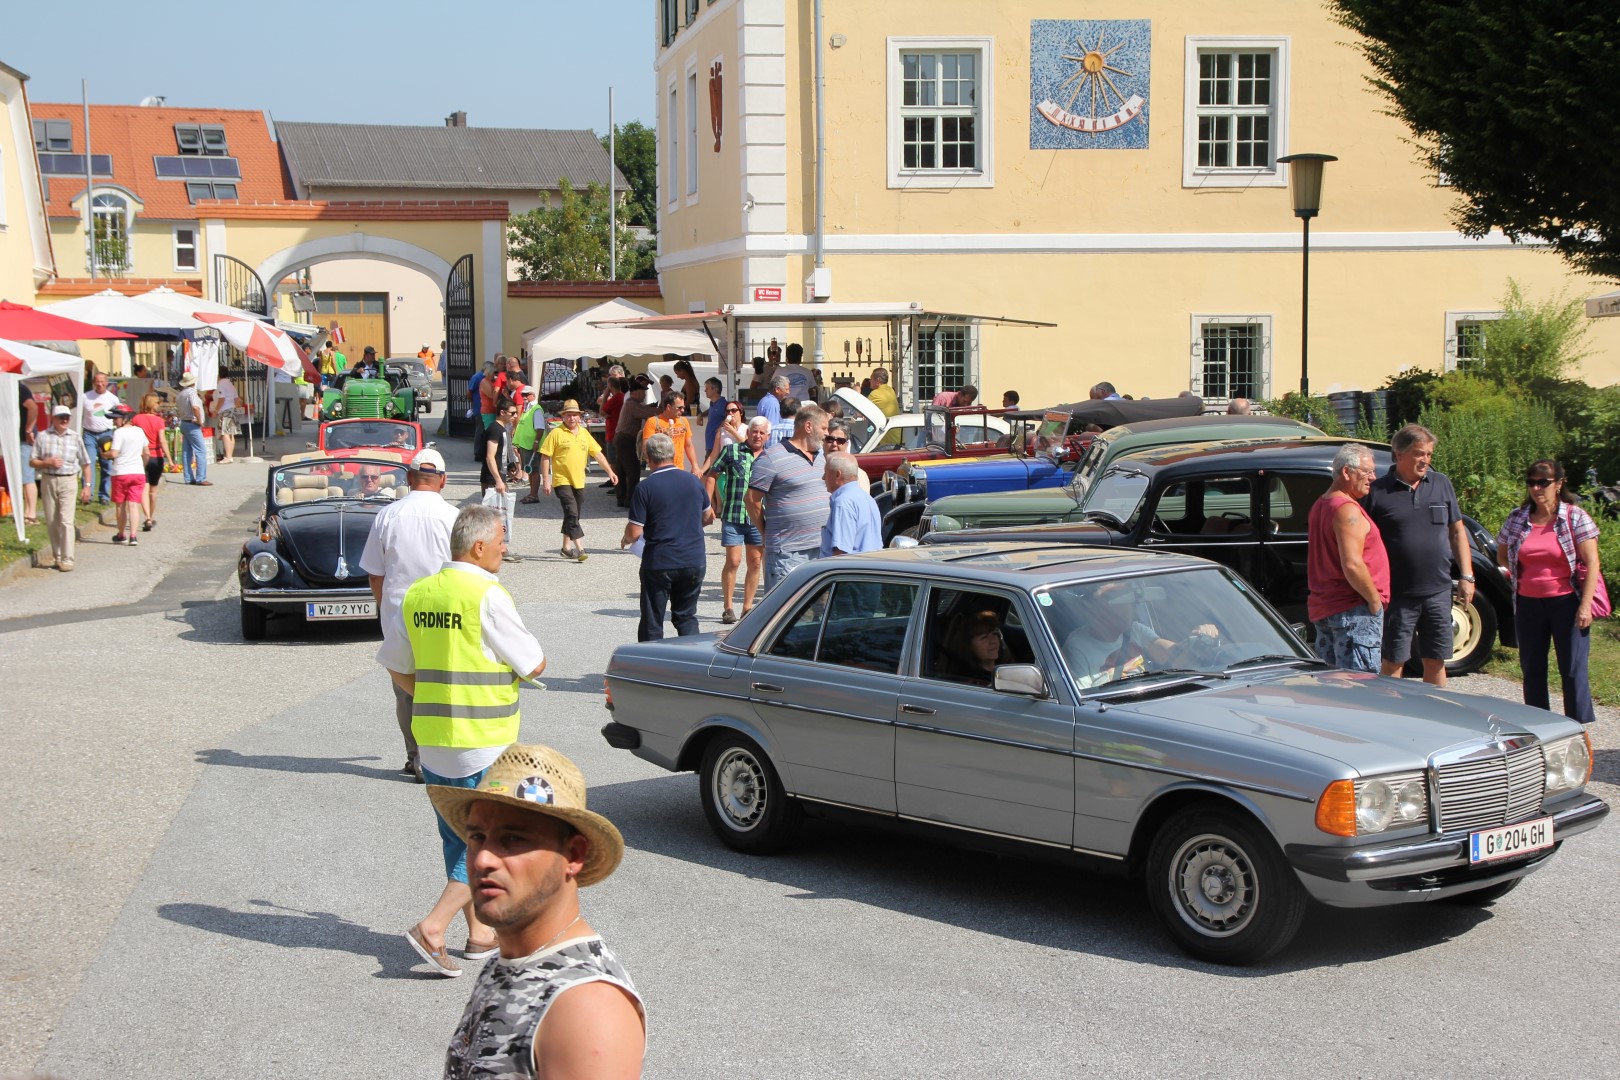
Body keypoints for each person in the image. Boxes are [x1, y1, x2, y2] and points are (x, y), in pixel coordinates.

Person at [434, 743, 644, 1079]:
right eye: (477, 836)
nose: (484, 858)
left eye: (513, 839)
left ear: (573, 855)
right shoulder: (505, 960)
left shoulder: (585, 1008)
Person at [397, 504, 545, 978]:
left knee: (456, 836)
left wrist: (436, 695)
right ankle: (434, 927)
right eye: (502, 538)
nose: (506, 546)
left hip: (434, 736)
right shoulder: (487, 594)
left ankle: (480, 933)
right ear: (478, 546)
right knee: (489, 843)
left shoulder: (418, 594)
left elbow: (398, 664)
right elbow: (533, 663)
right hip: (483, 738)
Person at [362, 448, 459, 784]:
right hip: (442, 612)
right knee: (443, 684)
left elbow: (375, 574)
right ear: (443, 481)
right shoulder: (453, 517)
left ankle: (416, 756)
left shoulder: (388, 515)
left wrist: (385, 607)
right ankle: (440, 755)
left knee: (406, 688)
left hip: (399, 612)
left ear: (409, 478)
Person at [1361, 423, 1472, 687]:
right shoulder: (1378, 491)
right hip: (1397, 594)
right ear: (1399, 454)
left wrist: (1467, 576)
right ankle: (1392, 719)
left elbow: (1457, 531)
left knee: (1435, 659)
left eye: (1429, 454)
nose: (1425, 460)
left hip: (1437, 590)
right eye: (1419, 454)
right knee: (1394, 660)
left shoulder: (1441, 483)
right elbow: (1362, 540)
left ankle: (1439, 717)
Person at [1495, 459, 1601, 724]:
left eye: (1543, 482)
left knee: (1573, 670)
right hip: (1528, 604)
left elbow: (1592, 563)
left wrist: (1585, 605)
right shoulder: (1517, 517)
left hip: (1567, 602)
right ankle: (1540, 726)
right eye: (1531, 482)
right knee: (1532, 670)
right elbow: (1503, 555)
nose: (1537, 488)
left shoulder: (1575, 516)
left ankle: (1578, 728)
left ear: (1559, 484)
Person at [1307, 443, 1390, 672]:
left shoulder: (1322, 504)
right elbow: (1353, 564)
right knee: (1360, 689)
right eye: (1367, 472)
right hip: (1352, 610)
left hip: (1329, 607)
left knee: (1335, 687)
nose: (1373, 477)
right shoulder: (1346, 509)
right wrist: (1374, 601)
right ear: (1346, 472)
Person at [623, 433, 714, 641]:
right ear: (673, 454)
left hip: (660, 561)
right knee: (687, 616)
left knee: (652, 620)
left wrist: (626, 539)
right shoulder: (693, 481)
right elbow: (709, 517)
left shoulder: (645, 487)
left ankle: (652, 668)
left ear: (648, 457)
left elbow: (635, 532)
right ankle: (693, 665)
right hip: (693, 559)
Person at [1059, 583, 1223, 688]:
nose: (1129, 608)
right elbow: (1086, 703)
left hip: (1146, 697)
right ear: (1099, 610)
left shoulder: (1135, 630)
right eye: (1120, 602)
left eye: (1129, 603)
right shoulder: (1077, 646)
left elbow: (1175, 656)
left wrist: (1201, 638)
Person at [747, 403, 831, 592]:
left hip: (821, 549)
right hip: (787, 552)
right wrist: (766, 532)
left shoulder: (821, 457)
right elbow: (752, 499)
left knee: (818, 612)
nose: (827, 434)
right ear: (808, 427)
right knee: (784, 611)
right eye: (824, 428)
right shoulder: (771, 458)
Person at [707, 416, 770, 623]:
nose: (757, 435)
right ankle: (728, 607)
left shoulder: (771, 458)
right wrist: (708, 504)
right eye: (754, 431)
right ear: (748, 432)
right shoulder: (731, 451)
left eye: (762, 432)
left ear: (767, 436)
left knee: (755, 561)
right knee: (733, 561)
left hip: (758, 517)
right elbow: (712, 474)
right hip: (734, 514)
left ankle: (747, 607)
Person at [539, 400, 617, 562]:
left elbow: (597, 454)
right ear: (563, 416)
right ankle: (580, 548)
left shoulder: (584, 433)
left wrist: (610, 471)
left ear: (579, 417)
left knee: (573, 514)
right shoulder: (556, 433)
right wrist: (546, 479)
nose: (572, 418)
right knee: (572, 512)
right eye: (569, 415)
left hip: (580, 480)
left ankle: (566, 548)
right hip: (561, 480)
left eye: (575, 415)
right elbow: (546, 456)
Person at [29, 405, 91, 571]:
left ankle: (67, 558)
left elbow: (86, 463)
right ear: (53, 419)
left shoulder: (75, 437)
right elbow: (32, 461)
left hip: (69, 480)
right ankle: (57, 556)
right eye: (61, 417)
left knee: (66, 520)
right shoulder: (43, 437)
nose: (64, 420)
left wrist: (87, 486)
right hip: (48, 479)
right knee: (51, 520)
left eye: (67, 418)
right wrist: (46, 463)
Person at [819, 451, 882, 557]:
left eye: (826, 472)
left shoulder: (843, 503)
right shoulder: (868, 499)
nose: (823, 477)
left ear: (837, 475)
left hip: (851, 570)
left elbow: (841, 554)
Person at [482, 399, 523, 558]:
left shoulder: (503, 428)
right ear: (502, 412)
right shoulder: (494, 429)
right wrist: (498, 479)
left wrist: (510, 468)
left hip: (500, 475)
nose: (515, 415)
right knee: (492, 516)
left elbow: (503, 453)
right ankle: (493, 550)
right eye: (512, 413)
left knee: (500, 515)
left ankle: (500, 549)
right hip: (492, 477)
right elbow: (490, 457)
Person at [104, 405, 149, 546]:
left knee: (121, 506)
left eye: (116, 419)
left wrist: (103, 454)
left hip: (121, 472)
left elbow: (114, 453)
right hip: (137, 472)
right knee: (134, 505)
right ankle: (133, 536)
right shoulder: (140, 431)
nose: (113, 422)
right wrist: (142, 466)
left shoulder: (119, 433)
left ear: (124, 419)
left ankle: (122, 534)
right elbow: (146, 452)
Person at [614, 375, 659, 508]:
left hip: (622, 438)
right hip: (625, 439)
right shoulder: (632, 404)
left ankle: (622, 499)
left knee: (622, 470)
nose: (645, 394)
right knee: (633, 471)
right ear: (636, 392)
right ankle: (630, 500)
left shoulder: (632, 403)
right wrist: (662, 409)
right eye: (643, 391)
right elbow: (648, 412)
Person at [937, 609, 1008, 687]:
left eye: (994, 633)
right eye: (984, 637)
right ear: (969, 646)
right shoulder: (972, 684)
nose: (993, 641)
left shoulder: (1006, 668)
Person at [81, 370, 120, 502]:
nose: (100, 384)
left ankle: (104, 495)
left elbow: (119, 415)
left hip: (106, 433)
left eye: (102, 382)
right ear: (93, 383)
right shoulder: (85, 397)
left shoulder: (112, 399)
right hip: (89, 434)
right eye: (97, 382)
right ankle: (88, 494)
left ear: (106, 383)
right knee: (88, 462)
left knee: (106, 465)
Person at [130, 394, 166, 532]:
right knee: (153, 490)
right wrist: (169, 456)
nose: (159, 405)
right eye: (157, 402)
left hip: (142, 455)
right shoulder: (159, 421)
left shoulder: (136, 419)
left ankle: (147, 518)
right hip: (157, 456)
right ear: (152, 404)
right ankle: (151, 515)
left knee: (144, 488)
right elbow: (162, 440)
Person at [640, 391, 698, 474]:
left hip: (679, 469)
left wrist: (695, 465)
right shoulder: (653, 421)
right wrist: (662, 436)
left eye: (683, 407)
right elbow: (646, 447)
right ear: (668, 407)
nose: (683, 410)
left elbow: (688, 446)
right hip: (660, 469)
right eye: (679, 407)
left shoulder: (683, 421)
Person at [176, 373, 211, 485]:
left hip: (184, 422)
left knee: (187, 452)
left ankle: (188, 477)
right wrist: (199, 420)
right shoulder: (191, 393)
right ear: (193, 382)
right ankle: (201, 478)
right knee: (200, 450)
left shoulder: (180, 394)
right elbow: (195, 407)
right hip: (192, 423)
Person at [16, 380, 40, 526]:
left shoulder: (19, 388)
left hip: (23, 439)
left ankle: (30, 514)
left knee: (27, 477)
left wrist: (28, 430)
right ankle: (26, 512)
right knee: (22, 477)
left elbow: (33, 407)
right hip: (14, 438)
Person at [212, 374, 239, 463]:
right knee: (231, 434)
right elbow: (236, 399)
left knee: (225, 433)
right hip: (232, 409)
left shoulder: (221, 384)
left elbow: (221, 399)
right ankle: (230, 455)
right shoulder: (230, 384)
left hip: (225, 410)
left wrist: (216, 411)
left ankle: (228, 457)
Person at [701, 377, 728, 457]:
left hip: (717, 445)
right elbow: (710, 410)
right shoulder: (713, 403)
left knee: (706, 469)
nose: (705, 390)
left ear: (715, 389)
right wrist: (701, 414)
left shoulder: (723, 404)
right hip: (710, 444)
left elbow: (730, 417)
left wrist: (721, 426)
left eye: (707, 388)